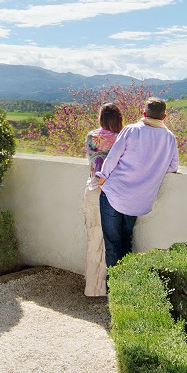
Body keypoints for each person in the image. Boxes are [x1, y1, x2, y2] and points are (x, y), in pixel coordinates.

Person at [97, 97, 179, 273]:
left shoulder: (131, 130)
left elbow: (112, 158)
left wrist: (102, 177)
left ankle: (112, 289)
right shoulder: (169, 138)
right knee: (127, 241)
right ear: (164, 117)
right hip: (138, 201)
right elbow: (172, 167)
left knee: (112, 244)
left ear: (144, 114)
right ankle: (125, 288)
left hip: (114, 194)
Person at [83, 103, 123, 297]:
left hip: (91, 190)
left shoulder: (91, 136)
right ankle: (112, 289)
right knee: (112, 242)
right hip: (111, 193)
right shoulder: (121, 139)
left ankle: (93, 288)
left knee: (94, 240)